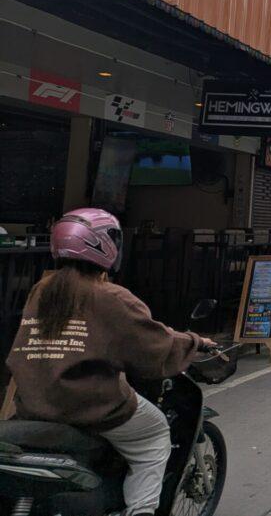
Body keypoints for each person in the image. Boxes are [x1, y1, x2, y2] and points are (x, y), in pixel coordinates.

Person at [5, 208, 215, 516]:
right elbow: (153, 346)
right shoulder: (111, 297)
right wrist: (195, 342)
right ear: (106, 246)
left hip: (34, 403)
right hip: (92, 407)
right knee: (155, 435)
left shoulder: (42, 290)